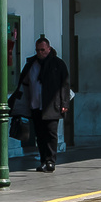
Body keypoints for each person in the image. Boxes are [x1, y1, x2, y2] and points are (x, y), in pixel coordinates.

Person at [16, 36, 71, 172]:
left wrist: (65, 103)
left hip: (52, 105)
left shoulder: (58, 64)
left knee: (51, 134)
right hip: (35, 105)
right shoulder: (31, 64)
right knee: (39, 135)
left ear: (49, 48)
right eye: (38, 50)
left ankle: (50, 161)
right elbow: (24, 83)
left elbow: (65, 85)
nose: (40, 53)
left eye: (43, 50)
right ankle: (43, 160)